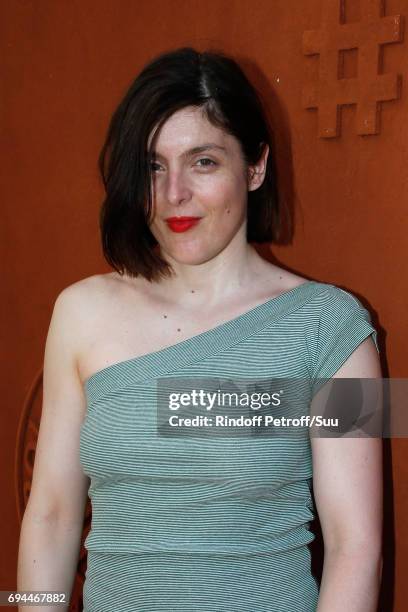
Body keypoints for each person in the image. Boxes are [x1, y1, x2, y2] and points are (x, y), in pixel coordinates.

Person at [17, 47, 383, 612]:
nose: (173, 195)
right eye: (154, 166)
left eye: (203, 161)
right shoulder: (79, 312)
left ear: (255, 166)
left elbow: (357, 547)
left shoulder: (337, 327)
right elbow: (51, 513)